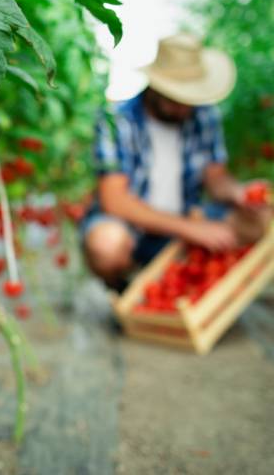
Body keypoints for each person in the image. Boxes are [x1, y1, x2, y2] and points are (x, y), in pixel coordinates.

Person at [81, 33, 271, 290]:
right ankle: (125, 289)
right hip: (134, 230)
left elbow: (215, 177)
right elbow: (114, 200)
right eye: (176, 99)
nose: (184, 108)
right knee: (106, 245)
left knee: (263, 218)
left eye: (189, 99)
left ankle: (192, 282)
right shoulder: (116, 120)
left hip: (188, 219)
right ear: (156, 87)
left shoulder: (204, 116)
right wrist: (191, 230)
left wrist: (238, 193)